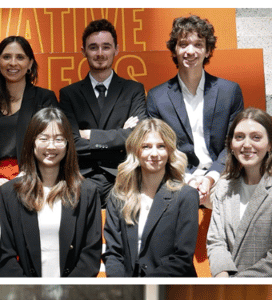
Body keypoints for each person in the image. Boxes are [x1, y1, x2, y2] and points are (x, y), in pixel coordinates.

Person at [147, 14, 244, 207]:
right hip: (177, 177)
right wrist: (190, 181)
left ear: (208, 51)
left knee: (229, 197)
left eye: (198, 45)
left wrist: (210, 179)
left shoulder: (229, 91)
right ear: (174, 50)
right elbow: (162, 148)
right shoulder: (157, 97)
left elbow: (233, 144)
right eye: (183, 44)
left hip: (221, 176)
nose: (190, 51)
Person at [0, 107, 102, 277]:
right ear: (32, 142)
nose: (51, 146)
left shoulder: (87, 192)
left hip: (74, 295)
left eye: (59, 139)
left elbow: (90, 255)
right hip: (25, 295)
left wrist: (67, 293)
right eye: (44, 138)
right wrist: (31, 293)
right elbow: (5, 256)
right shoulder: (10, 193)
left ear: (68, 143)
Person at [59, 19, 148, 206]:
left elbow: (137, 137)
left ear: (116, 49)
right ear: (83, 51)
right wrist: (120, 135)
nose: (100, 53)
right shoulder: (69, 94)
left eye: (106, 47)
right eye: (93, 48)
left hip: (123, 177)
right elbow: (72, 143)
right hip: (82, 179)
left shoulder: (134, 90)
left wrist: (90, 135)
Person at [103, 118, 199, 277]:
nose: (154, 153)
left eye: (161, 146)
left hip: (170, 287)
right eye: (146, 147)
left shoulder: (186, 195)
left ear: (169, 151)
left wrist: (144, 286)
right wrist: (124, 287)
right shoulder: (119, 195)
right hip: (128, 288)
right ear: (135, 151)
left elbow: (182, 258)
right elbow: (113, 253)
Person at [0, 36, 59, 196]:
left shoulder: (45, 99)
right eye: (6, 57)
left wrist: (25, 176)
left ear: (30, 64)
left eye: (20, 57)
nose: (13, 63)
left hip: (36, 176)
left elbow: (53, 143)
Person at [207, 108, 272, 276]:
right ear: (231, 144)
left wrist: (236, 281)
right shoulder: (224, 185)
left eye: (256, 137)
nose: (246, 144)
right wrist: (223, 277)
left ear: (270, 144)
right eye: (239, 137)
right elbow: (216, 241)